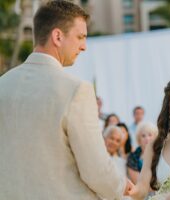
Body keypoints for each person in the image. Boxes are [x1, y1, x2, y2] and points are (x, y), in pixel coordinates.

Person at [0, 1, 130, 199]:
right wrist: (123, 188)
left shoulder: (3, 84)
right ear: (58, 36)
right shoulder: (77, 90)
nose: (84, 46)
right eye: (80, 37)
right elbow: (95, 170)